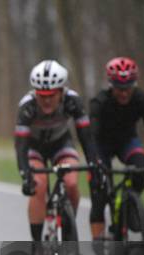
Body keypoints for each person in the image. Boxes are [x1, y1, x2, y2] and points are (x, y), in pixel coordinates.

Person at [89, 57, 144, 255]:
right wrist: (96, 164)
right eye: (119, 88)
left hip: (127, 141)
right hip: (102, 145)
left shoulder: (142, 99)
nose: (124, 93)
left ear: (134, 84)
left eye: (128, 88)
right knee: (99, 196)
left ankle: (130, 205)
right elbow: (91, 137)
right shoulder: (99, 102)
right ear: (111, 85)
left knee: (141, 166)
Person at [14, 60, 99, 241]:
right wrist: (25, 174)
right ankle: (37, 247)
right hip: (34, 147)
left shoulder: (73, 101)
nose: (46, 100)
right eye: (41, 95)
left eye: (51, 95)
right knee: (39, 184)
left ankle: (68, 229)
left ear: (61, 91)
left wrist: (94, 163)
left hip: (61, 144)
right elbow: (20, 145)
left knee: (71, 183)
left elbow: (85, 136)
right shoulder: (27, 106)